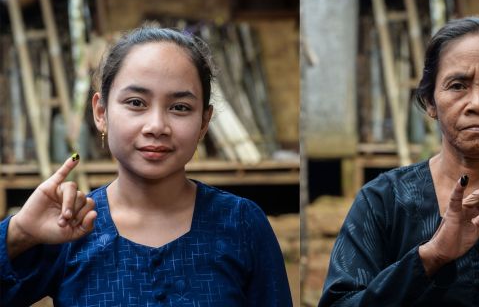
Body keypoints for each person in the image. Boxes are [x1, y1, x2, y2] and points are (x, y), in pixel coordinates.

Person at [0, 28, 292, 305]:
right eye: (136, 102)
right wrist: (19, 233)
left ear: (204, 121)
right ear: (101, 112)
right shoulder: (70, 226)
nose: (156, 126)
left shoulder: (241, 225)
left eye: (179, 107)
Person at [319, 18, 479, 306]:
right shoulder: (384, 201)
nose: (478, 103)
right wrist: (431, 257)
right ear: (430, 102)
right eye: (457, 85)